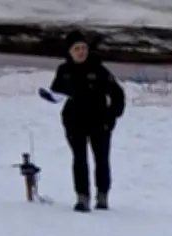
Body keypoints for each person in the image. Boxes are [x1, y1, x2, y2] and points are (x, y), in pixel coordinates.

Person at [47, 30, 125, 212]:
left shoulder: (98, 70)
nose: (81, 52)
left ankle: (102, 195)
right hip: (74, 121)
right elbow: (57, 92)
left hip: (99, 121)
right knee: (79, 160)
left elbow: (117, 94)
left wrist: (113, 115)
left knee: (101, 160)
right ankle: (82, 197)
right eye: (77, 49)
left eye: (84, 48)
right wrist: (50, 96)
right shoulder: (64, 70)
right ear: (69, 52)